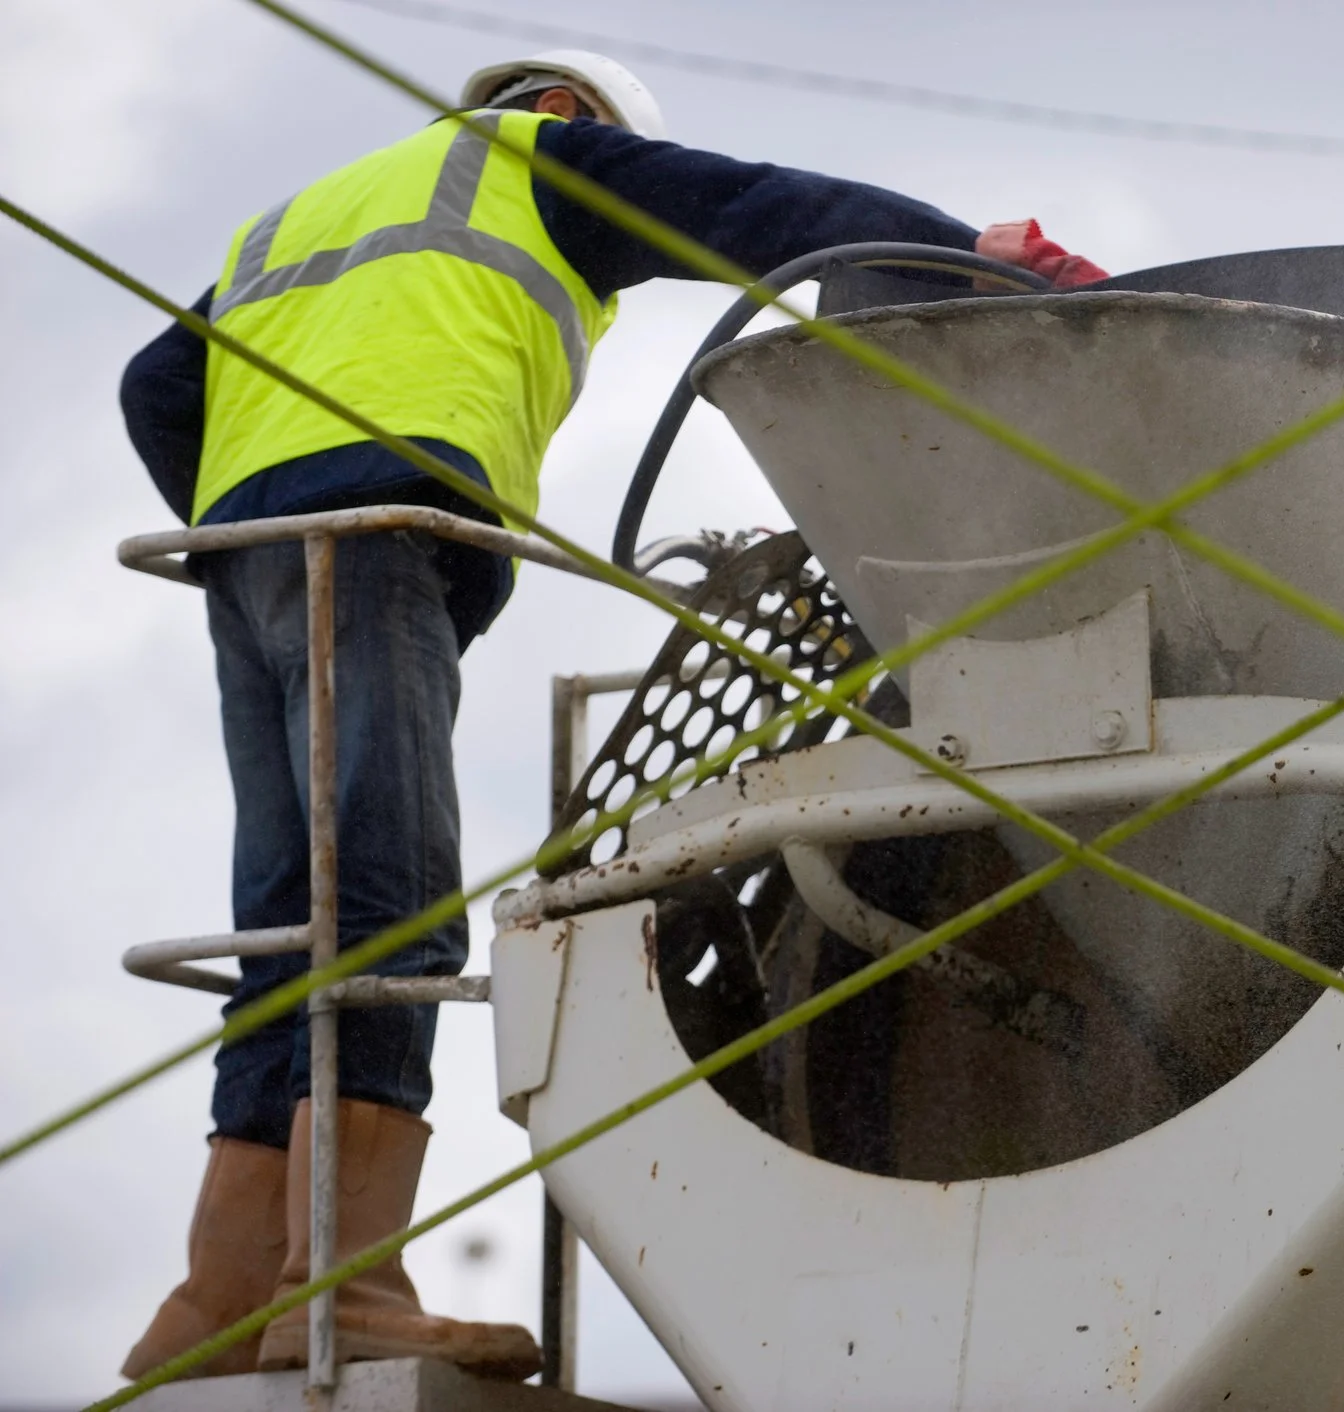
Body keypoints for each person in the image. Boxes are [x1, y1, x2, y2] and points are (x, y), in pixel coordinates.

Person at [118, 50, 1106, 1383]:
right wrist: (973, 257)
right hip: (382, 525)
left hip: (252, 551)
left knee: (290, 907)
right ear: (572, 115)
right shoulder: (533, 161)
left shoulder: (296, 220)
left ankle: (215, 1294)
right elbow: (755, 208)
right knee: (389, 896)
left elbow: (154, 385)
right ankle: (341, 1283)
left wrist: (245, 513)